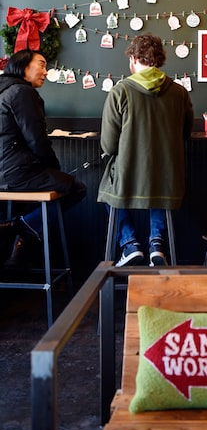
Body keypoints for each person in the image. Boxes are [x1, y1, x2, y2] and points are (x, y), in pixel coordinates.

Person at [97, 33, 194, 267]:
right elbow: (185, 133)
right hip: (169, 180)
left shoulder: (120, 91)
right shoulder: (179, 92)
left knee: (106, 192)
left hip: (128, 178)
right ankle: (157, 243)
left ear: (132, 58)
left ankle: (130, 243)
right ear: (160, 60)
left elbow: (109, 145)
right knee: (159, 189)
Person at [0, 49, 87, 267]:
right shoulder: (22, 92)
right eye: (41, 64)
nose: (46, 72)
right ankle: (21, 227)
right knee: (76, 188)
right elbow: (37, 140)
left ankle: (19, 239)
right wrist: (55, 169)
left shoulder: (3, 90)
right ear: (23, 66)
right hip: (16, 174)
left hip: (4, 175)